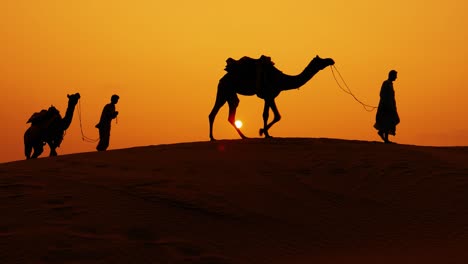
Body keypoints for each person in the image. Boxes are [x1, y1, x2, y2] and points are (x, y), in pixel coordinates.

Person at [374, 70, 400, 143]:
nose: (396, 77)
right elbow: (382, 94)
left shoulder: (390, 84)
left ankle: (383, 135)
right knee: (387, 122)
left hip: (390, 107)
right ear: (391, 75)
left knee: (391, 121)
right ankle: (385, 139)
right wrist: (386, 104)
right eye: (395, 76)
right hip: (385, 107)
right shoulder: (386, 83)